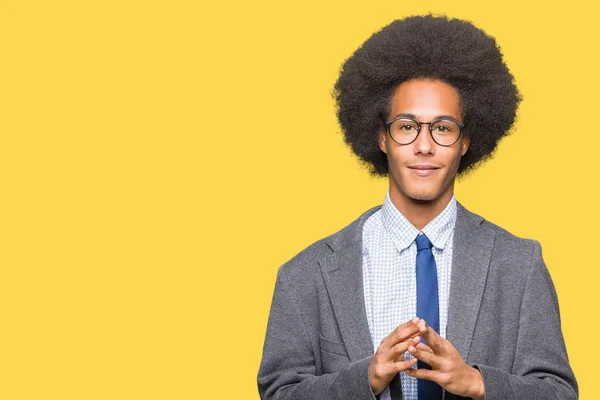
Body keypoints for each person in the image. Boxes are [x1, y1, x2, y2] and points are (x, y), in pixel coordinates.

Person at [257, 14, 577, 400]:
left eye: (442, 127)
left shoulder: (519, 265)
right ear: (381, 137)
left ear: (465, 141)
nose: (424, 145)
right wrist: (365, 380)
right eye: (407, 126)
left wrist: (477, 382)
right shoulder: (306, 274)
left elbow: (558, 393)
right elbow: (278, 393)